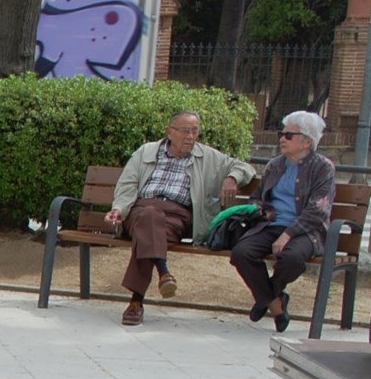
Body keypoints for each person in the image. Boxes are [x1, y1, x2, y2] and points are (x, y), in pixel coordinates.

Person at [105, 111, 255, 327]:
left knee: (150, 231)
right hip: (139, 211)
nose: (191, 137)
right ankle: (161, 274)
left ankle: (138, 301)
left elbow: (245, 167)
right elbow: (128, 184)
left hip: (176, 217)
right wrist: (119, 209)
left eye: (195, 131)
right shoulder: (146, 152)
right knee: (149, 217)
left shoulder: (208, 156)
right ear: (169, 131)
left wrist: (232, 178)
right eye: (185, 131)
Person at [231, 111, 336, 334]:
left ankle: (265, 298)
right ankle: (275, 303)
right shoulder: (275, 165)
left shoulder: (323, 168)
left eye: (288, 135)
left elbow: (318, 209)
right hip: (270, 225)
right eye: (282, 133)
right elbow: (258, 197)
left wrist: (288, 234)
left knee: (291, 259)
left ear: (307, 141)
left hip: (306, 230)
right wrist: (261, 211)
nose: (281, 139)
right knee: (242, 252)